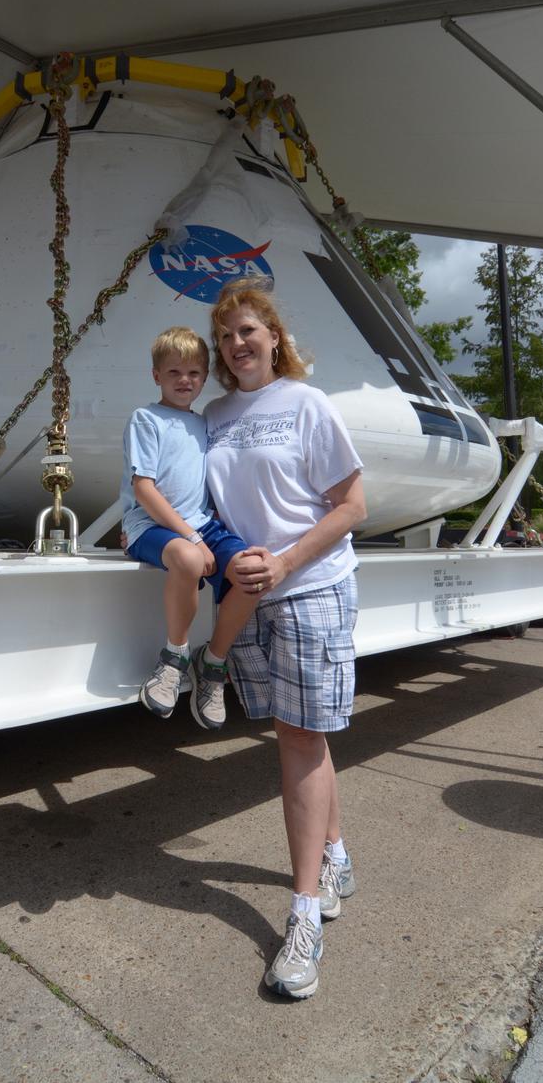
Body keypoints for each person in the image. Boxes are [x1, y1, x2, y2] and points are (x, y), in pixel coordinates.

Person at [204, 279, 366, 1001]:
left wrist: (286, 560)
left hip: (310, 587)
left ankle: (304, 917)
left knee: (299, 736)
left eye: (248, 330)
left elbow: (352, 504)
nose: (237, 344)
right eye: (226, 336)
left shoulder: (307, 403)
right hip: (248, 594)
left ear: (273, 336)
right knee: (297, 732)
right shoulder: (210, 415)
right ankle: (334, 855)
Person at [121, 326, 263, 730]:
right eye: (174, 373)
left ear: (204, 376)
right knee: (186, 557)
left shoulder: (205, 423)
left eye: (194, 374)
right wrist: (192, 538)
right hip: (151, 526)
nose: (185, 381)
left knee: (253, 571)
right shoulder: (146, 419)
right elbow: (144, 489)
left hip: (200, 525)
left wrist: (204, 534)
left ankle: (213, 661)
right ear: (156, 376)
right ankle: (174, 657)